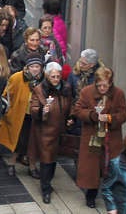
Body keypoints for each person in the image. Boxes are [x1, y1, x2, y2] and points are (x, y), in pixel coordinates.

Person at [74, 66, 126, 208]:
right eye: (99, 85)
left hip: (112, 137)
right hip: (92, 137)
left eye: (106, 85)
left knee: (112, 167)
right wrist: (92, 115)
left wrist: (110, 118)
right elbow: (78, 110)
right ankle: (90, 195)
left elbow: (123, 114)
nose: (102, 88)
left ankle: (113, 195)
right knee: (92, 168)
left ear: (111, 83)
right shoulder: (86, 92)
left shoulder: (118, 94)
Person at [29, 62, 72, 204]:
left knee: (54, 161)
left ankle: (48, 184)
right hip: (45, 132)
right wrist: (42, 111)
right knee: (46, 161)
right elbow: (33, 109)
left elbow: (70, 105)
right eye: (53, 76)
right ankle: (45, 189)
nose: (55, 79)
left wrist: (71, 118)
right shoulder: (39, 90)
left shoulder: (65, 88)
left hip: (60, 130)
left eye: (58, 76)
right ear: (47, 76)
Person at [0, 56, 44, 178]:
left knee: (33, 142)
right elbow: (6, 95)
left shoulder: (43, 79)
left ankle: (32, 167)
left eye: (37, 67)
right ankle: (11, 164)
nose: (35, 69)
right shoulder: (17, 77)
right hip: (18, 114)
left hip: (35, 115)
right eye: (32, 66)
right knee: (18, 141)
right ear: (27, 67)